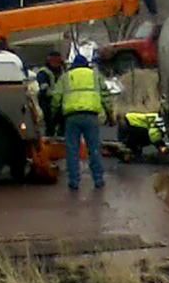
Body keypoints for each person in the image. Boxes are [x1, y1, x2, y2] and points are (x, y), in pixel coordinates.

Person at [51, 54, 113, 191]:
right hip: (91, 117)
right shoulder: (95, 75)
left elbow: (56, 97)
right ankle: (98, 180)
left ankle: (74, 181)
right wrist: (110, 114)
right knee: (94, 148)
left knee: (72, 150)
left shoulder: (66, 77)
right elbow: (105, 96)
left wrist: (53, 114)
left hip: (72, 117)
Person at [36, 51, 65, 136]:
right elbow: (43, 88)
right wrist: (55, 94)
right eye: (54, 60)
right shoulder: (43, 72)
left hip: (61, 102)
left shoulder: (63, 71)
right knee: (50, 124)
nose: (56, 63)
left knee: (63, 123)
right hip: (47, 102)